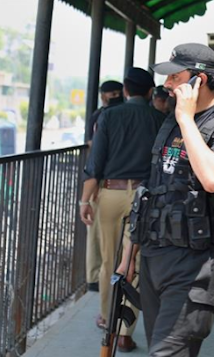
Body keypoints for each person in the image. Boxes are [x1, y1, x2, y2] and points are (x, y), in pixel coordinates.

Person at [118, 43, 214, 356]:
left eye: (174, 77)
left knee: (165, 352)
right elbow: (150, 190)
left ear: (198, 80)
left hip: (193, 263)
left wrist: (187, 120)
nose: (166, 85)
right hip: (153, 255)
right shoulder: (171, 121)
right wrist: (128, 256)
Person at [79, 68, 164, 352]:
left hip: (111, 194)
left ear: (125, 91)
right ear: (151, 92)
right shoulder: (159, 120)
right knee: (135, 265)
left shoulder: (109, 116)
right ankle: (126, 330)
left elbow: (96, 162)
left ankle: (107, 320)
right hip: (145, 196)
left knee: (108, 263)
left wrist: (85, 200)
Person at [84, 80, 124, 294]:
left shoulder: (100, 116)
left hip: (101, 180)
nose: (114, 97)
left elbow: (93, 151)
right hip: (108, 181)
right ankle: (100, 276)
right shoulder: (116, 115)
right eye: (113, 94)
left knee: (96, 232)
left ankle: (94, 277)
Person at [85, 80, 124, 147]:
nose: (118, 97)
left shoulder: (125, 114)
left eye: (120, 94)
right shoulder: (97, 115)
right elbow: (91, 141)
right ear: (103, 96)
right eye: (114, 94)